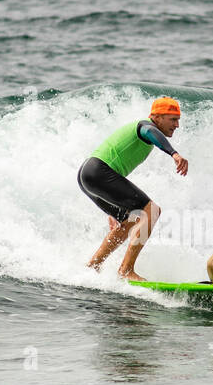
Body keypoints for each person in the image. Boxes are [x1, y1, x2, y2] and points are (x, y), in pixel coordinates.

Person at [77, 97, 188, 280]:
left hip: (88, 175)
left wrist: (111, 207)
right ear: (157, 117)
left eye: (178, 120)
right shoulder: (145, 127)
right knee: (152, 210)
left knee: (128, 221)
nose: (177, 125)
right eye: (173, 119)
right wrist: (173, 154)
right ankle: (126, 270)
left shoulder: (146, 134)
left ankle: (93, 266)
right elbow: (150, 130)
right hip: (97, 171)